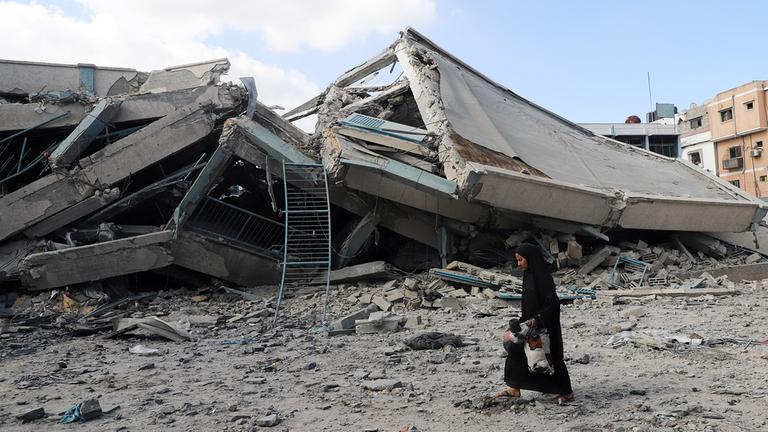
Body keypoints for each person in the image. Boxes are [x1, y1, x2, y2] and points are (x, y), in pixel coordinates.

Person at [497, 243, 574, 403]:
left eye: (521, 260)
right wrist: (523, 321)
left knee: (552, 357)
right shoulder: (528, 275)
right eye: (517, 260)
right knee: (516, 351)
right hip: (529, 324)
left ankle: (566, 392)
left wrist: (537, 319)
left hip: (545, 326)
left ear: (530, 259)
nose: (519, 264)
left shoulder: (543, 277)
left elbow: (553, 304)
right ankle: (514, 387)